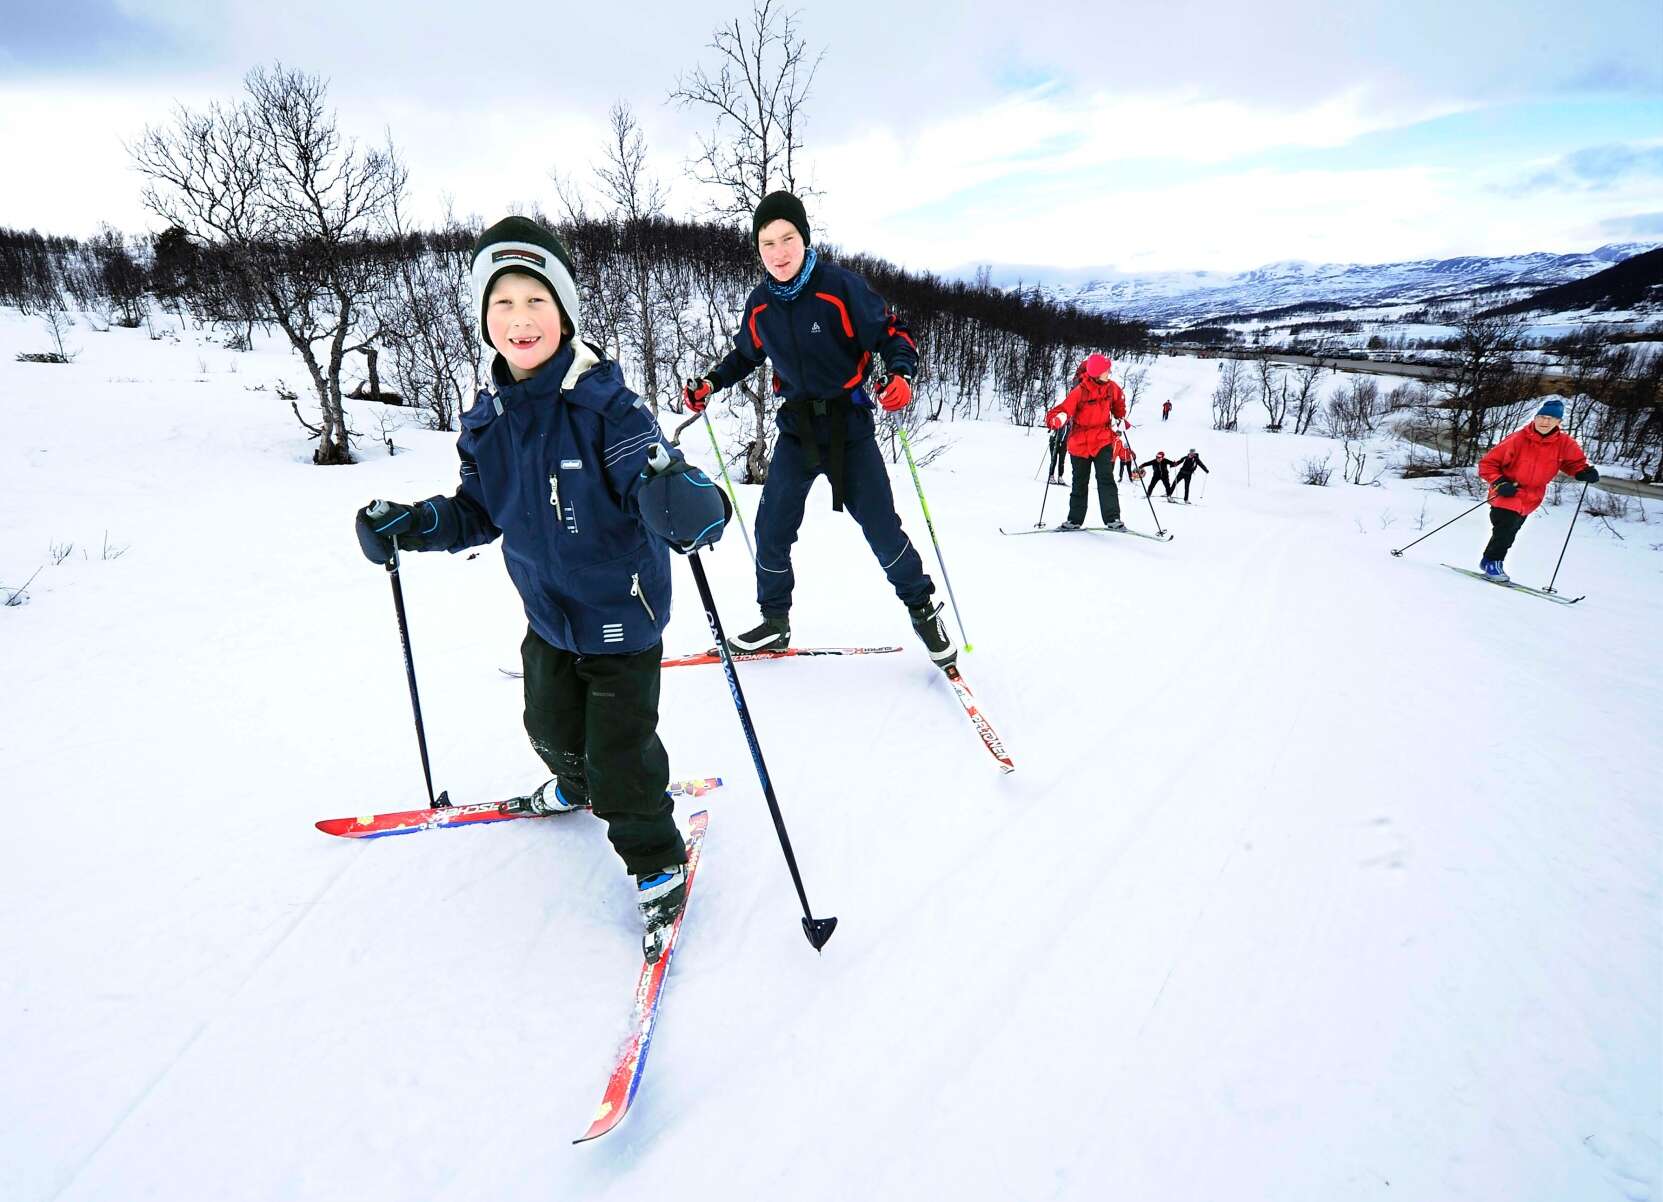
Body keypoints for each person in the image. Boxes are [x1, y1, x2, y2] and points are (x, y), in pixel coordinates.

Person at [353, 216, 730, 962]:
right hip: (548, 613)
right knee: (549, 728)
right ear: (484, 318)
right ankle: (576, 782)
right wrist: (415, 525)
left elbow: (660, 479)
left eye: (536, 301)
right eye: (503, 303)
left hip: (622, 613)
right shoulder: (488, 420)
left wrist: (688, 503)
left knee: (621, 759)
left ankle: (656, 860)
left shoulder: (607, 407)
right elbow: (478, 510)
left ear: (564, 313)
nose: (520, 319)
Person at [683, 191, 955, 668]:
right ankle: (774, 621)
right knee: (771, 527)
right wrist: (710, 383)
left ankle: (922, 609)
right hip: (797, 430)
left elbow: (892, 333)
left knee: (882, 529)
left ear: (804, 239)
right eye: (767, 243)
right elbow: (745, 355)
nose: (779, 252)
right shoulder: (760, 304)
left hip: (849, 427)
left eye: (787, 238)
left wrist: (901, 375)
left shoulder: (838, 287)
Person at [1476, 398, 1598, 582]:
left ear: (1558, 422)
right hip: (1509, 491)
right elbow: (1488, 464)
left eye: (1550, 418)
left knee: (1510, 531)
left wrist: (1584, 472)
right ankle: (1493, 563)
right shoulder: (1517, 439)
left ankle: (1488, 561)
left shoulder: (1564, 443)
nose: (1544, 422)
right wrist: (1500, 482)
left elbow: (1574, 463)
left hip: (1532, 497)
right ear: (1535, 418)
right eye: (1541, 417)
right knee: (1505, 529)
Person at [1044, 352, 1127, 531]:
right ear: (1097, 373)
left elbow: (1118, 404)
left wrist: (1120, 417)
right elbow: (1062, 410)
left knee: (1106, 479)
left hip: (1102, 440)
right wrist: (1056, 419)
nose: (1109, 372)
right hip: (1080, 443)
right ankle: (1074, 520)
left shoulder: (1112, 388)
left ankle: (1113, 519)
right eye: (1106, 370)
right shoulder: (1080, 391)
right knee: (1079, 482)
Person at [1047, 416, 1071, 485]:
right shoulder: (1060, 418)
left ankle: (1060, 477)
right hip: (1055, 442)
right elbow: (1051, 428)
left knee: (1062, 461)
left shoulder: (1070, 423)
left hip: (1064, 443)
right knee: (1053, 459)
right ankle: (1051, 476)